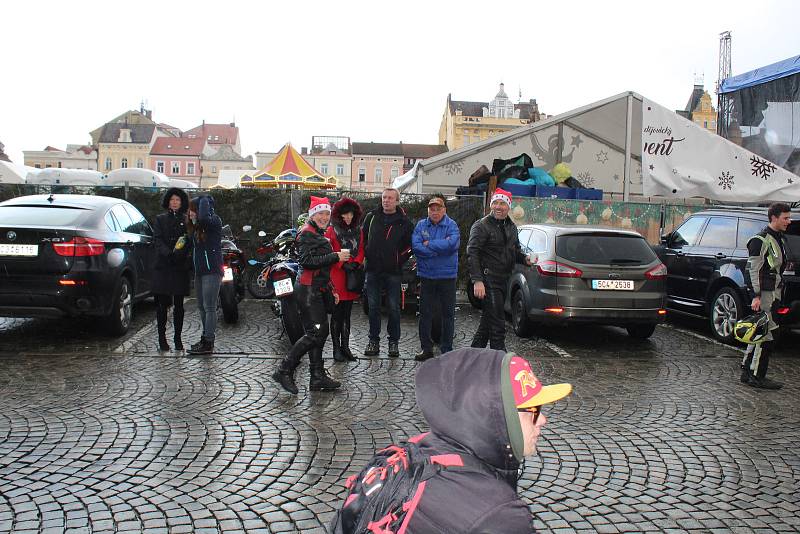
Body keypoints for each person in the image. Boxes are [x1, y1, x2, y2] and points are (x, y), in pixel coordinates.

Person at [330, 347, 573, 533]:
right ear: (497, 416)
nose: (543, 420)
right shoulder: (500, 516)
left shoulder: (413, 451)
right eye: (534, 410)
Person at [272, 197, 350, 394]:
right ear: (312, 214)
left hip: (315, 288)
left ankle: (317, 376)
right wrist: (335, 256)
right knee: (316, 333)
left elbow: (321, 268)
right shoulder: (307, 233)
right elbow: (307, 261)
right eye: (320, 213)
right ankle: (284, 369)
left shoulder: (317, 232)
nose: (324, 217)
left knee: (318, 333)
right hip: (308, 291)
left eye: (327, 213)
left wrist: (331, 288)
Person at [467, 187, 531, 351]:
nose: (498, 206)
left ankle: (472, 358)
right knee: (497, 325)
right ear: (490, 205)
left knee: (487, 324)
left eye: (502, 203)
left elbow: (514, 251)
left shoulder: (511, 226)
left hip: (503, 279)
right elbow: (472, 253)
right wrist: (477, 281)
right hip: (488, 280)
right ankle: (500, 363)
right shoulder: (481, 225)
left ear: (508, 206)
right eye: (495, 203)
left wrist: (525, 259)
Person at [741, 202, 792, 390]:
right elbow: (753, 270)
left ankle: (747, 371)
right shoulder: (760, 240)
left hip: (774, 293)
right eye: (785, 218)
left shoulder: (778, 238)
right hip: (765, 294)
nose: (789, 221)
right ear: (774, 218)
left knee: (760, 330)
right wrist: (756, 295)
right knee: (767, 333)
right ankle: (756, 375)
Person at [361, 188, 414, 358]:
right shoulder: (371, 217)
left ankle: (393, 343)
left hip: (393, 272)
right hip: (373, 270)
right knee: (373, 307)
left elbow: (410, 246)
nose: (386, 200)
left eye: (390, 198)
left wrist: (398, 259)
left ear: (397, 201)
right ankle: (373, 341)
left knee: (393, 308)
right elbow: (362, 239)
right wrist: (366, 256)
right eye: (384, 197)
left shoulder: (404, 222)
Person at [411, 194, 460, 361]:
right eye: (432, 209)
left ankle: (447, 348)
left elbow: (452, 244)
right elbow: (416, 247)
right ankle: (426, 348)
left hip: (447, 277)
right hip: (427, 276)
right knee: (425, 313)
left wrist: (429, 244)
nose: (435, 212)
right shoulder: (420, 225)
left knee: (448, 314)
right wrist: (439, 248)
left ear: (444, 210)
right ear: (428, 210)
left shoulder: (452, 225)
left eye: (438, 209)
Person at [151, 187, 192, 353]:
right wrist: (169, 253)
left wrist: (180, 255)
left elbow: (188, 240)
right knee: (161, 305)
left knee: (179, 305)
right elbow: (157, 240)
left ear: (182, 203)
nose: (175, 202)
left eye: (178, 200)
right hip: (163, 266)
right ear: (168, 201)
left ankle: (178, 338)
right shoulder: (160, 219)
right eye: (172, 199)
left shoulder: (186, 220)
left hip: (179, 266)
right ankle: (162, 338)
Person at [325, 197, 365, 362]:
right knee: (337, 315)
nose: (348, 218)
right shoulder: (331, 231)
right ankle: (336, 349)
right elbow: (329, 251)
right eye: (344, 215)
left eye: (350, 214)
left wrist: (355, 263)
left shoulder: (358, 230)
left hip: (351, 276)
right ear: (339, 215)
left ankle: (345, 347)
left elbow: (362, 248)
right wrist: (343, 264)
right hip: (337, 275)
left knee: (347, 314)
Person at [187, 195, 223, 356]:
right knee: (201, 307)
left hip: (212, 271)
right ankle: (205, 338)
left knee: (209, 307)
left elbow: (204, 218)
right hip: (200, 272)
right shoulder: (196, 228)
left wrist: (203, 198)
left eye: (193, 211)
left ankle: (209, 341)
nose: (191, 214)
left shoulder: (214, 221)